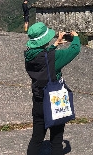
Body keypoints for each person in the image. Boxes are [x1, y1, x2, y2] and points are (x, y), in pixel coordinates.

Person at [24, 22, 80, 155]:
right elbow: (74, 50)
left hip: (38, 100)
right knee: (56, 140)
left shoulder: (29, 56)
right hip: (54, 100)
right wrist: (76, 37)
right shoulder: (54, 58)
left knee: (37, 138)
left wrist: (55, 44)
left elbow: (43, 55)